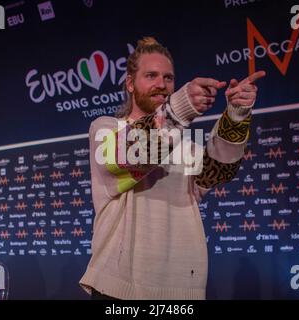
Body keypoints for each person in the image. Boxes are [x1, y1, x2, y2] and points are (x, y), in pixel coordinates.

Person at [79, 37, 265, 299]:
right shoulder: (106, 128)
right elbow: (132, 153)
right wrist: (180, 107)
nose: (161, 84)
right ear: (130, 84)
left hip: (181, 291)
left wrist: (236, 114)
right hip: (118, 290)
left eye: (168, 78)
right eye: (151, 75)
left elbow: (219, 171)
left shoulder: (184, 144)